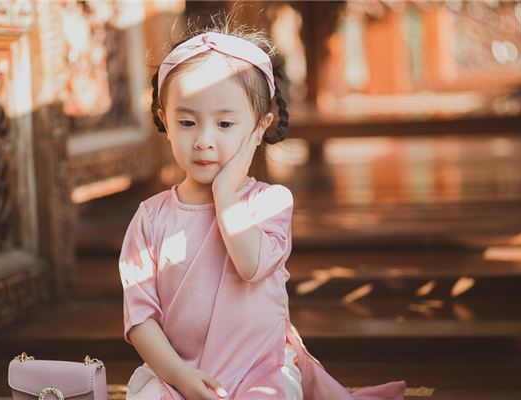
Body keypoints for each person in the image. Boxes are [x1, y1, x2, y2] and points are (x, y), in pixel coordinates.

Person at [119, 17, 406, 400]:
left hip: (260, 369)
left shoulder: (270, 203)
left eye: (225, 124)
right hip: (178, 371)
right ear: (164, 121)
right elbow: (140, 318)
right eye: (187, 122)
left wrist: (224, 191)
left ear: (259, 127)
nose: (204, 140)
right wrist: (180, 377)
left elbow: (250, 264)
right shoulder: (150, 218)